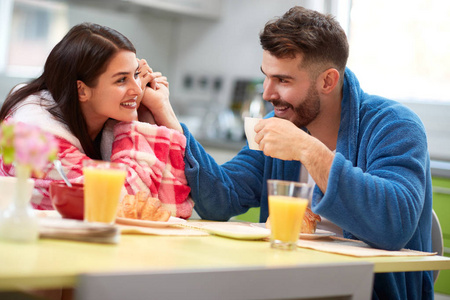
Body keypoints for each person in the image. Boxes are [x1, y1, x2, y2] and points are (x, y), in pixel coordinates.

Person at [147, 6, 434, 300]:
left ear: (327, 81)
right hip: (286, 282)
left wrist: (308, 150)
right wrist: (168, 118)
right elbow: (222, 198)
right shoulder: (281, 124)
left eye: (283, 80)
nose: (267, 93)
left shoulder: (395, 125)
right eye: (266, 76)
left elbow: (394, 225)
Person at [0, 22, 193, 219]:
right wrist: (135, 122)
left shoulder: (105, 125)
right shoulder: (38, 140)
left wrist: (154, 109)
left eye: (136, 74)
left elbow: (172, 202)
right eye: (121, 80)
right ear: (82, 90)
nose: (137, 89)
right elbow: (124, 206)